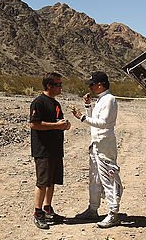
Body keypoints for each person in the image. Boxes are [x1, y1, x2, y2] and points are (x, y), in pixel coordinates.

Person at [71, 71, 123, 228]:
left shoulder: (109, 100)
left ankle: (113, 212)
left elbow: (104, 123)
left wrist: (82, 117)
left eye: (92, 84)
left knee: (108, 177)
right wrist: (88, 107)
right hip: (97, 143)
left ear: (100, 85)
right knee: (94, 177)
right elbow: (95, 120)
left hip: (105, 144)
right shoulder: (102, 100)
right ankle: (93, 209)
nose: (90, 87)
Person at [28, 72, 70, 229]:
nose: (61, 88)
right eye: (58, 85)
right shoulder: (38, 103)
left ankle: (48, 208)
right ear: (49, 86)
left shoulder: (56, 104)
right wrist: (55, 126)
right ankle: (38, 213)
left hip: (56, 149)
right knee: (42, 182)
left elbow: (58, 121)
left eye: (61, 84)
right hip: (43, 149)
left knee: (52, 181)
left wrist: (65, 125)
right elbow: (34, 124)